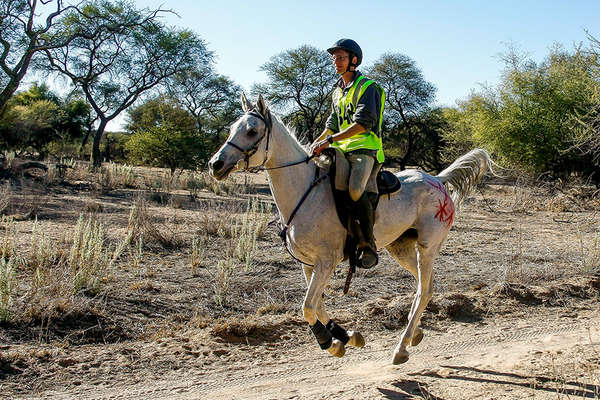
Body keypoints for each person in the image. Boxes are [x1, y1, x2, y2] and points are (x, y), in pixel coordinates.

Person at [310, 38, 385, 269]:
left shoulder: (368, 87)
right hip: (340, 150)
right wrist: (317, 143)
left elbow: (363, 124)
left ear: (354, 60)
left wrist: (330, 140)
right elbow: (331, 124)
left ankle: (368, 243)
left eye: (341, 58)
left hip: (365, 149)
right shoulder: (337, 91)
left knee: (354, 189)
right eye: (334, 58)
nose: (336, 62)